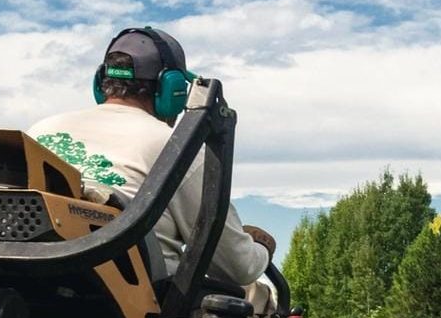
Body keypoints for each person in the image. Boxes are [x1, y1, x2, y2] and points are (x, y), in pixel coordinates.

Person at [26, 27, 275, 300]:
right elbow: (238, 266)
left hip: (29, 293)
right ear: (173, 91)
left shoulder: (40, 132)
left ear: (100, 83)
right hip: (131, 314)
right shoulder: (178, 148)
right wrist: (261, 248)